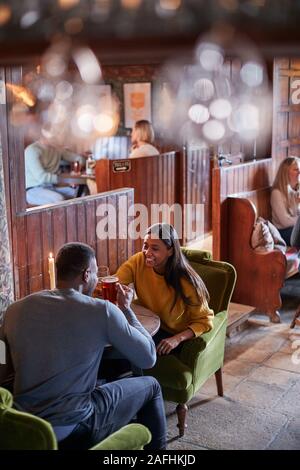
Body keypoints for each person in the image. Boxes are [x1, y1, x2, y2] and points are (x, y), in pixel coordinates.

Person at [1, 242, 166, 450]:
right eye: (96, 274)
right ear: (87, 274)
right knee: (151, 385)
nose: (96, 280)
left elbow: (1, 366)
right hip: (73, 429)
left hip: (23, 427)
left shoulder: (14, 310)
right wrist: (126, 309)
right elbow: (148, 357)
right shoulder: (102, 311)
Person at [116, 223, 214, 356]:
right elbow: (116, 282)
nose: (147, 252)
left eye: (155, 248)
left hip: (171, 335)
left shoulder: (186, 281)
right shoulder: (138, 261)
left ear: (170, 251)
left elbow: (205, 320)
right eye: (145, 246)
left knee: (127, 351)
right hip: (147, 324)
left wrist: (176, 339)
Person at [25, 136, 86, 205]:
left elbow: (80, 159)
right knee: (59, 199)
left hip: (52, 187)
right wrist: (69, 178)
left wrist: (77, 169)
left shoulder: (57, 149)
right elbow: (42, 177)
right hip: (33, 190)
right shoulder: (32, 150)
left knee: (83, 193)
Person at [271, 156, 300, 246]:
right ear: (286, 173)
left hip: (295, 228)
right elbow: (285, 221)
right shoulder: (277, 193)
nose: (299, 172)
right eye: (296, 169)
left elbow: (297, 214)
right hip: (283, 231)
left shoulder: (296, 190)